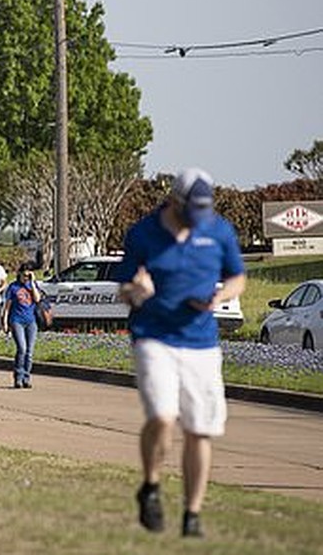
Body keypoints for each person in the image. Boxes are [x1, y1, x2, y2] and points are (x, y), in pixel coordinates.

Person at [116, 168, 245, 539]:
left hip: (201, 342)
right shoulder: (143, 234)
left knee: (200, 430)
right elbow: (123, 288)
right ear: (174, 201)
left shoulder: (218, 230)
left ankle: (192, 515)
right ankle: (151, 485)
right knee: (163, 416)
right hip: (154, 335)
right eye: (190, 212)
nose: (195, 221)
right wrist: (135, 290)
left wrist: (220, 296)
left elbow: (238, 276)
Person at [2, 264, 41, 388]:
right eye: (24, 275)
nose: (26, 277)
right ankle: (18, 377)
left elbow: (37, 299)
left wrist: (33, 282)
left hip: (31, 321)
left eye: (28, 275)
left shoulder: (32, 286)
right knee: (22, 349)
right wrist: (4, 321)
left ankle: (26, 377)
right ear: (19, 274)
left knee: (29, 352)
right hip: (17, 320)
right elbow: (7, 306)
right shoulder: (13, 287)